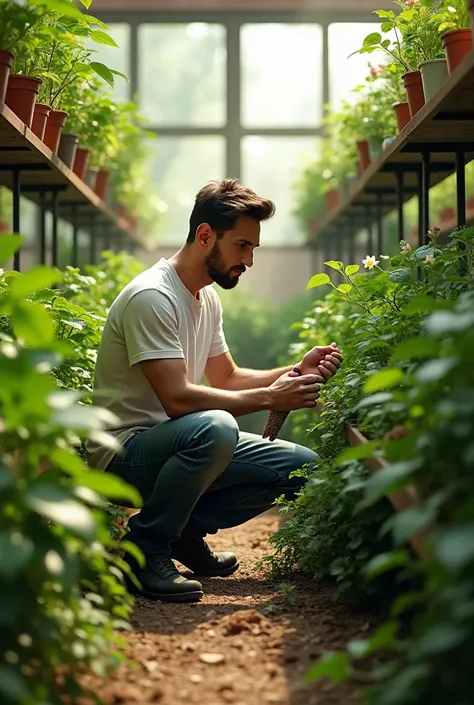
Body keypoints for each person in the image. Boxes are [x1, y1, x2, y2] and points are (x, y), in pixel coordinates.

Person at [85, 178, 342, 603]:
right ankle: (146, 548)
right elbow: (178, 399)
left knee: (299, 465)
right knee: (217, 427)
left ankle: (183, 532)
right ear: (205, 236)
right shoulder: (153, 296)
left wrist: (297, 369)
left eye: (254, 248)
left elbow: (227, 377)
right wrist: (270, 398)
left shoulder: (205, 298)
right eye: (242, 246)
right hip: (123, 455)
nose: (251, 260)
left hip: (179, 444)